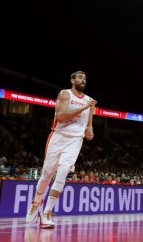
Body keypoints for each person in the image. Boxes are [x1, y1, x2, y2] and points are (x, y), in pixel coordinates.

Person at [26, 71, 96, 228]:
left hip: (75, 140)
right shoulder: (65, 94)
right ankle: (36, 202)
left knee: (63, 172)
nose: (83, 80)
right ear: (72, 80)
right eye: (80, 77)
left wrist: (89, 131)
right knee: (47, 174)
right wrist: (84, 107)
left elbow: (89, 124)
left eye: (85, 78)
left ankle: (47, 213)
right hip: (58, 137)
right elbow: (61, 116)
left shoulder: (90, 101)